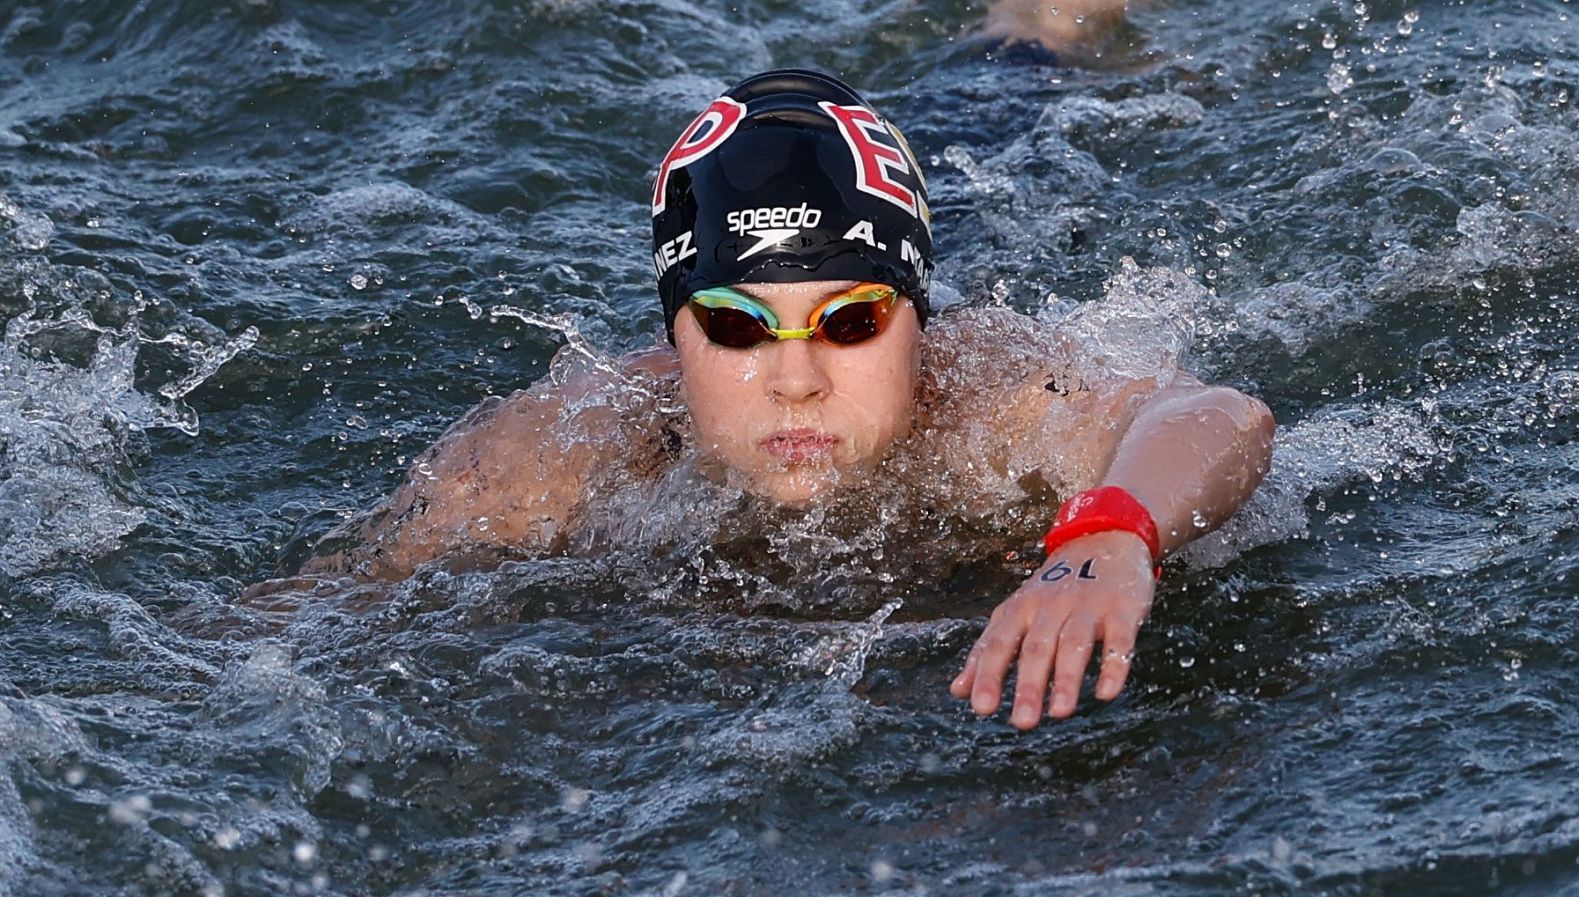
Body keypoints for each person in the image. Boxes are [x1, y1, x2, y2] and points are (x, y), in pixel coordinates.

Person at [260, 25, 1274, 732]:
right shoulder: (561, 450)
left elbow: (1214, 415)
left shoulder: (996, 394)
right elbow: (307, 618)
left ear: (915, 324)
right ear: (675, 341)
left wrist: (1107, 535)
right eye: (737, 328)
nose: (795, 380)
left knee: (1016, 87)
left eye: (852, 323)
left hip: (1002, 209)